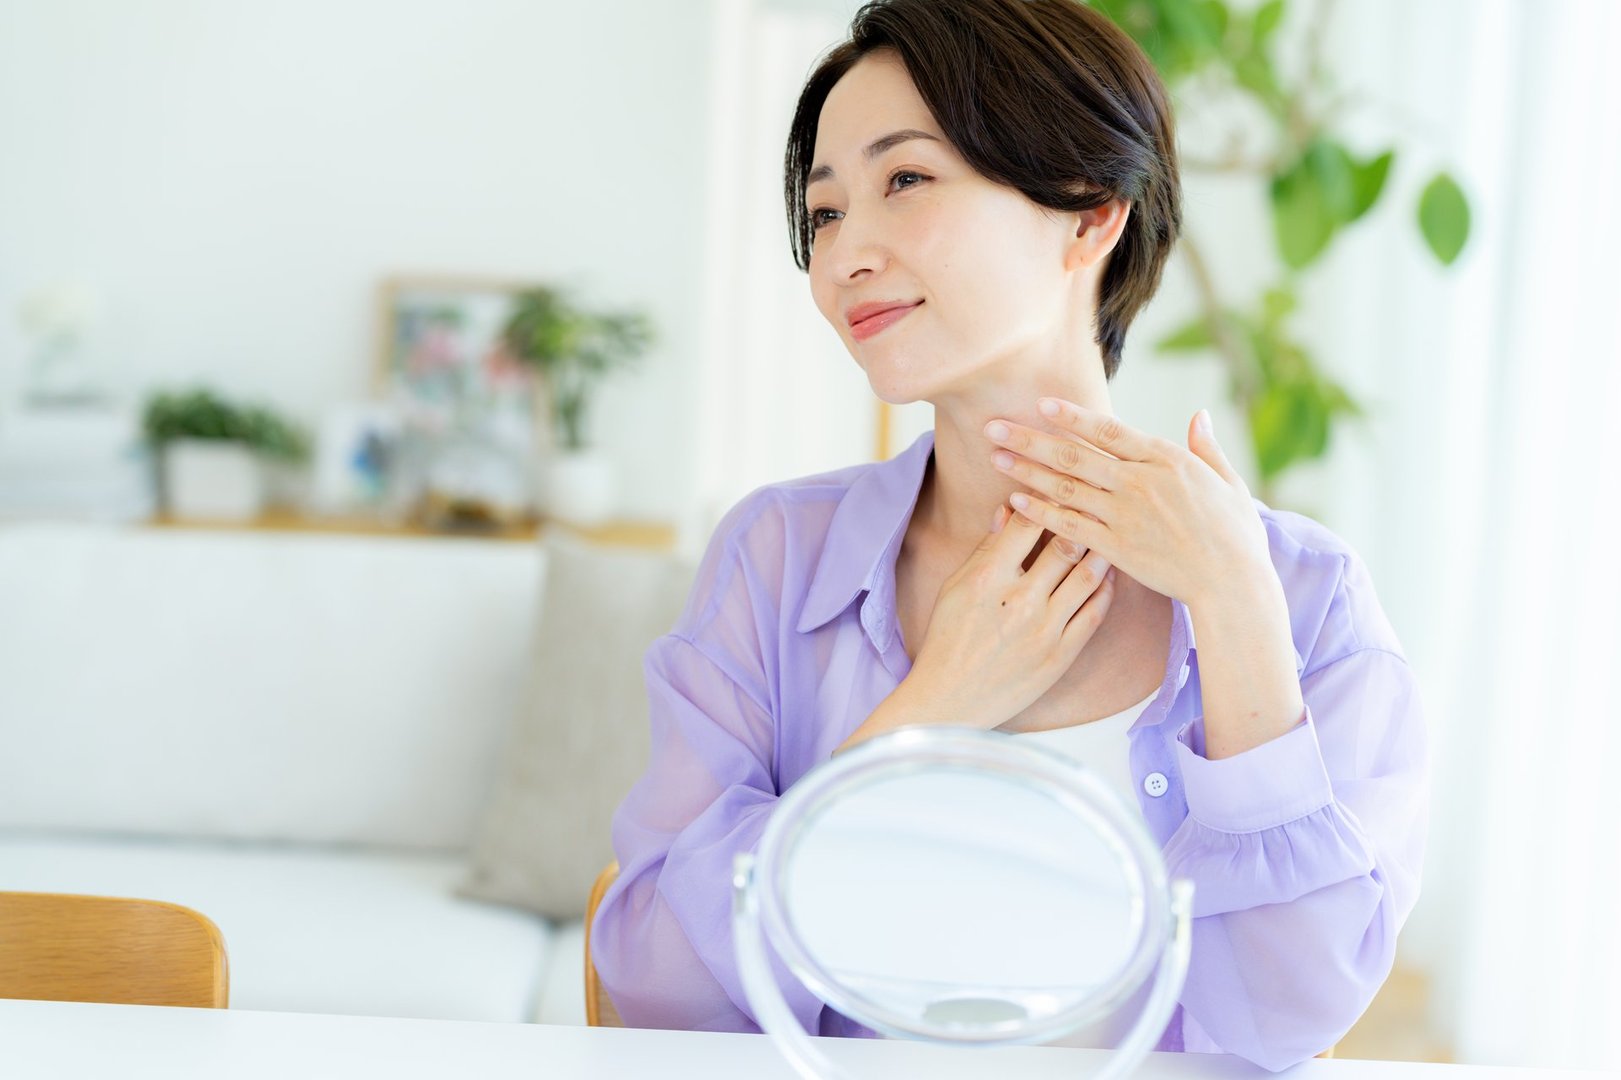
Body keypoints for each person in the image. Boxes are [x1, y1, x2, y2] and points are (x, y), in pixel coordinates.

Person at [590, 0, 1428, 1070]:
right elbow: (658, 988)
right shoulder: (776, 560)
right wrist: (926, 716)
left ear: (1088, 213)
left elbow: (1288, 1017)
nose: (844, 255)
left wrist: (1233, 608)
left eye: (904, 181)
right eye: (826, 210)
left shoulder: (1301, 593)